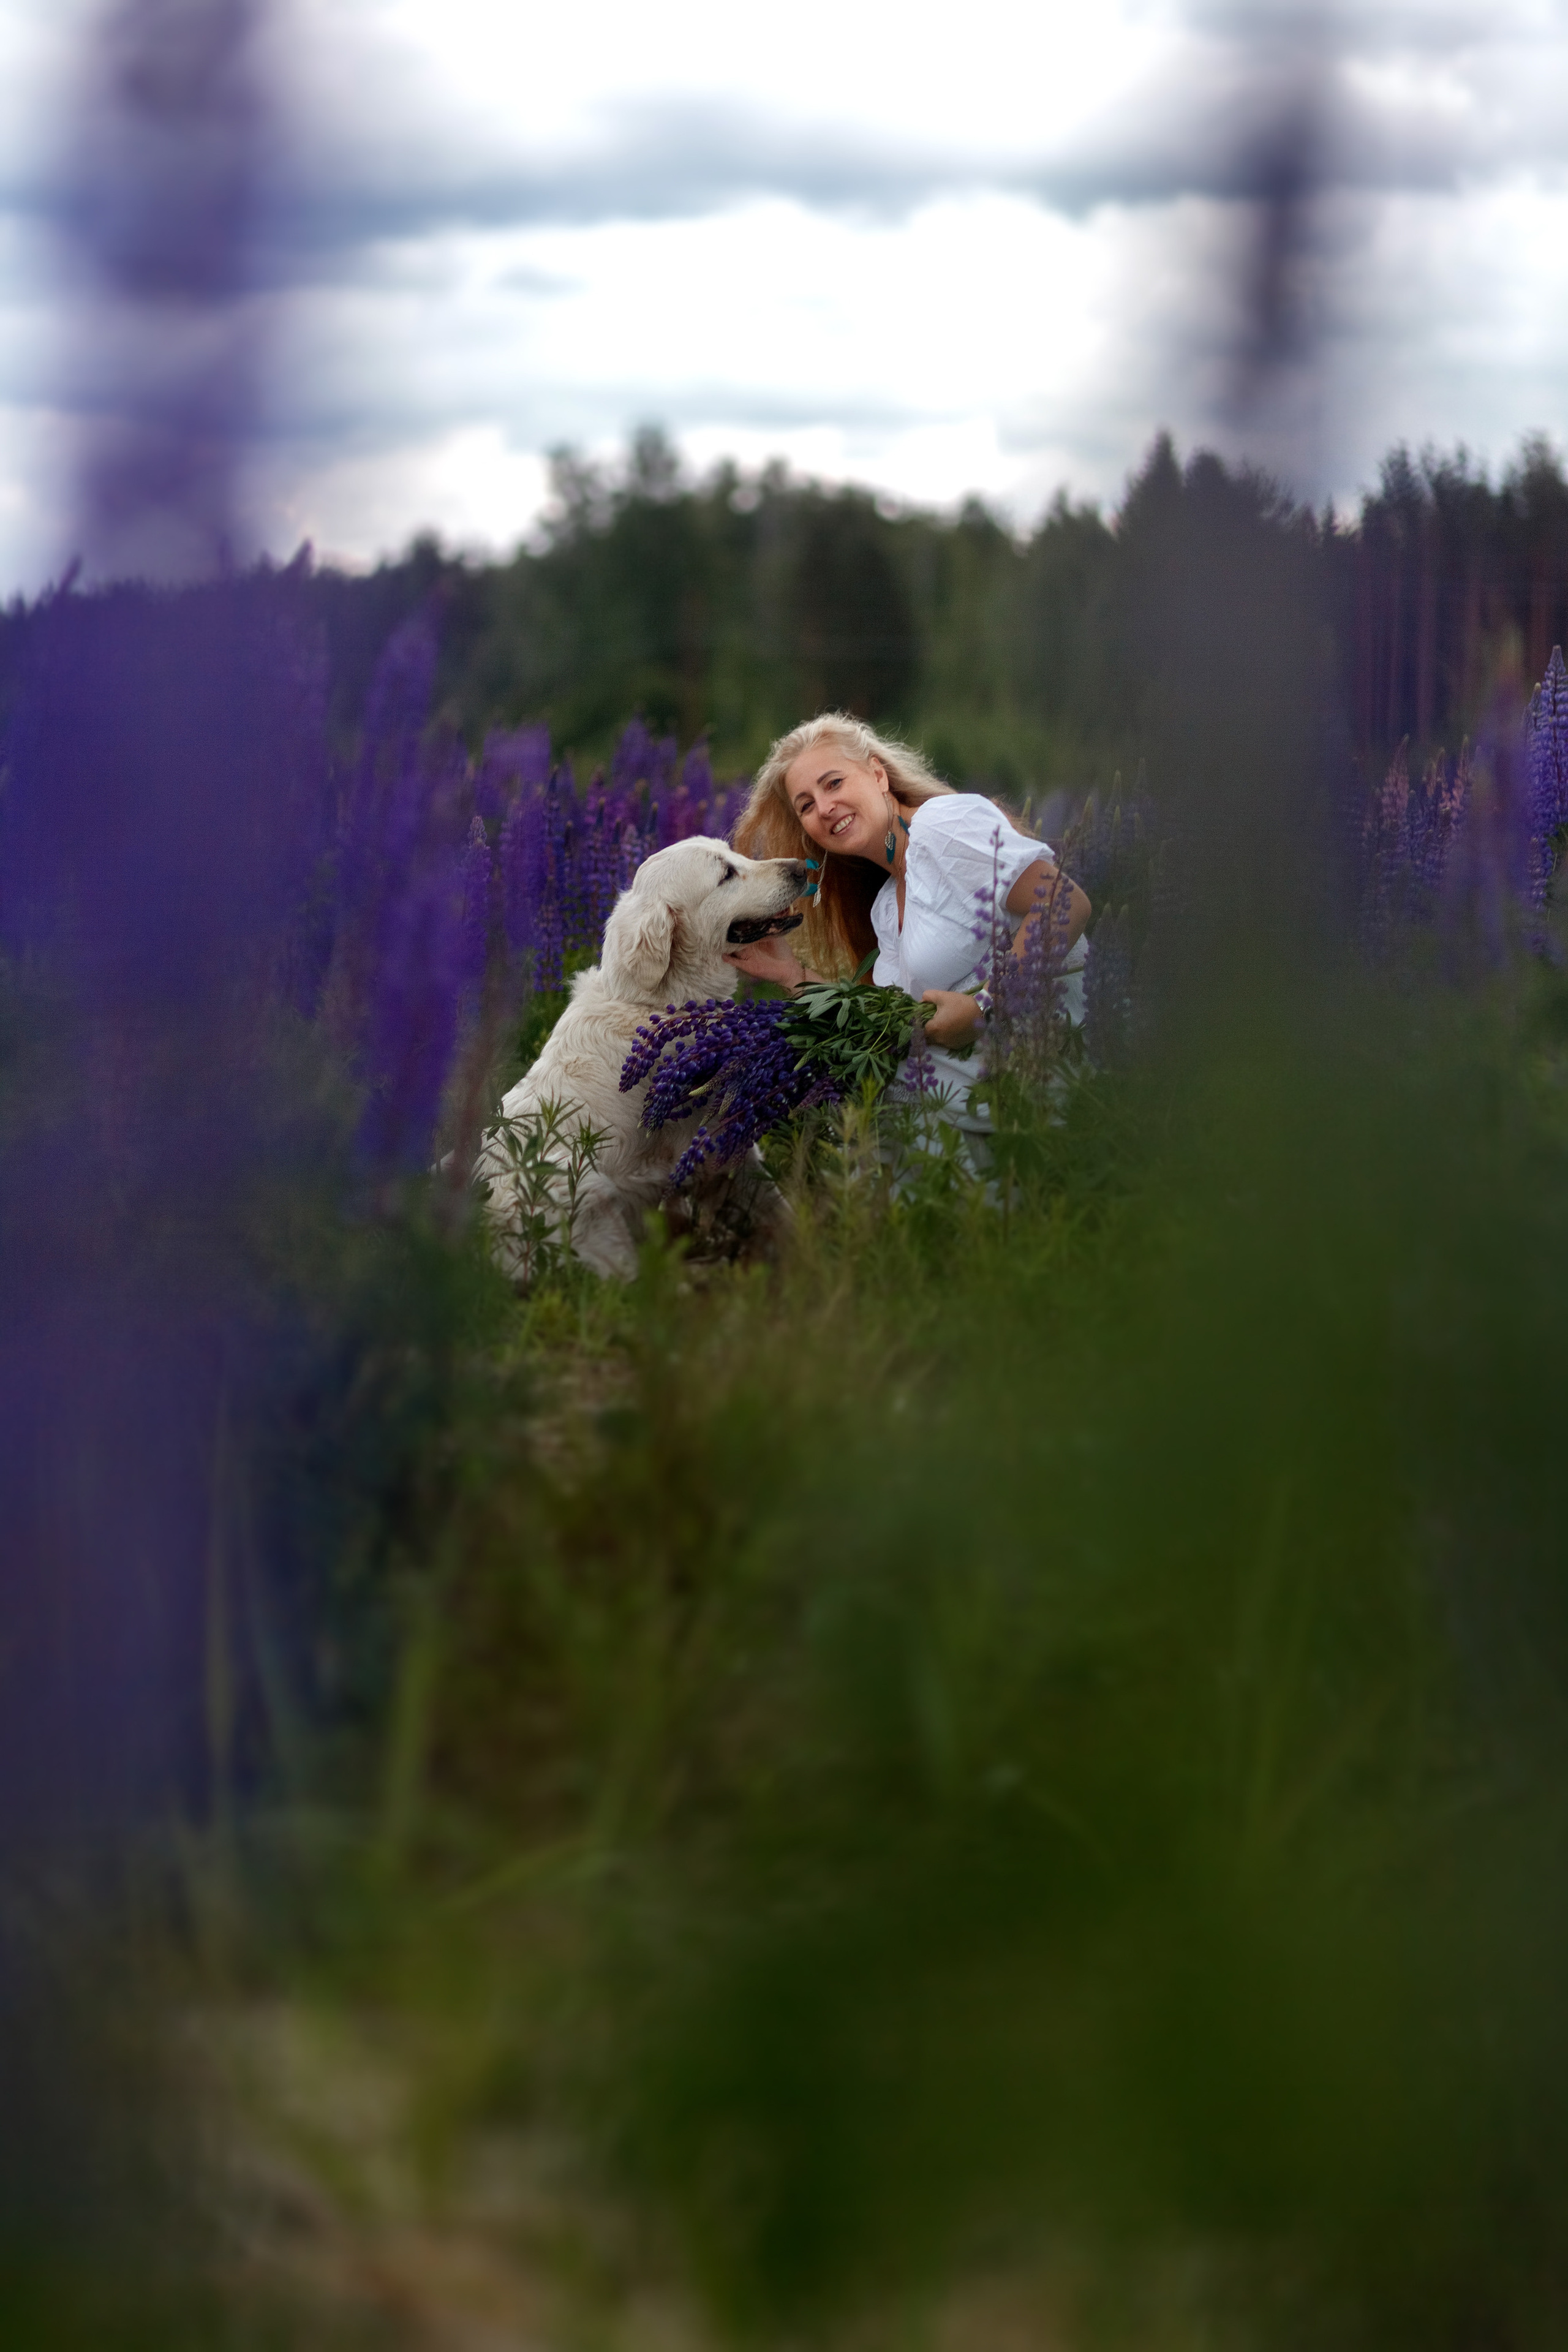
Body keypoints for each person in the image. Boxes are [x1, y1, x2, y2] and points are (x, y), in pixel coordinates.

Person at [727, 712, 1092, 1125]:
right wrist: (791, 975)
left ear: (878, 776)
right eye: (806, 806)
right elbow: (892, 1020)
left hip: (1043, 1110)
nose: (825, 808)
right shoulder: (886, 905)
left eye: (834, 783)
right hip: (973, 1125)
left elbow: (1064, 900)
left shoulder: (942, 827)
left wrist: (987, 1005)